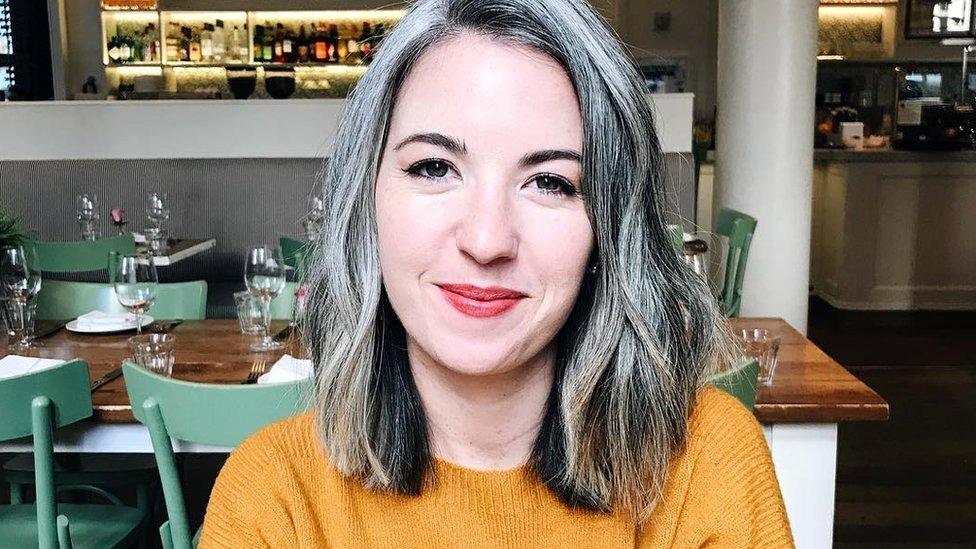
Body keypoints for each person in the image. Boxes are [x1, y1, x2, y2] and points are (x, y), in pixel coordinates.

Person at [200, 0, 794, 546]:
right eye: (434, 167)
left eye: (551, 182)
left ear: (609, 228)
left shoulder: (708, 464)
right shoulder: (273, 497)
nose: (486, 241)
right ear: (366, 199)